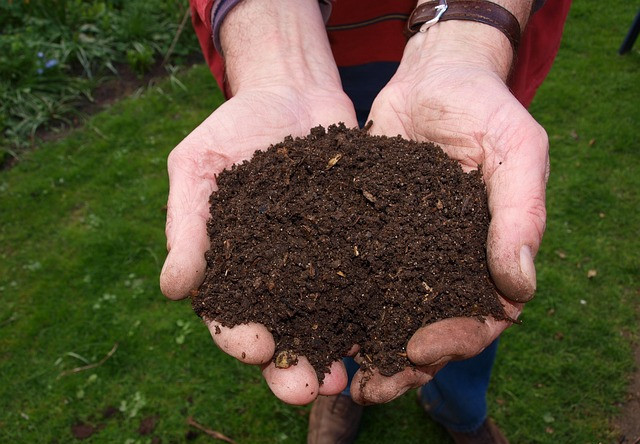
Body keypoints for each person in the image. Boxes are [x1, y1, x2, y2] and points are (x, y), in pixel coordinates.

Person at [160, 0, 572, 442]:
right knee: (337, 319)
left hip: (471, 45)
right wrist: (277, 48)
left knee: (468, 305)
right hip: (311, 43)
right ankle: (334, 378)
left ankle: (460, 410)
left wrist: (467, 36)